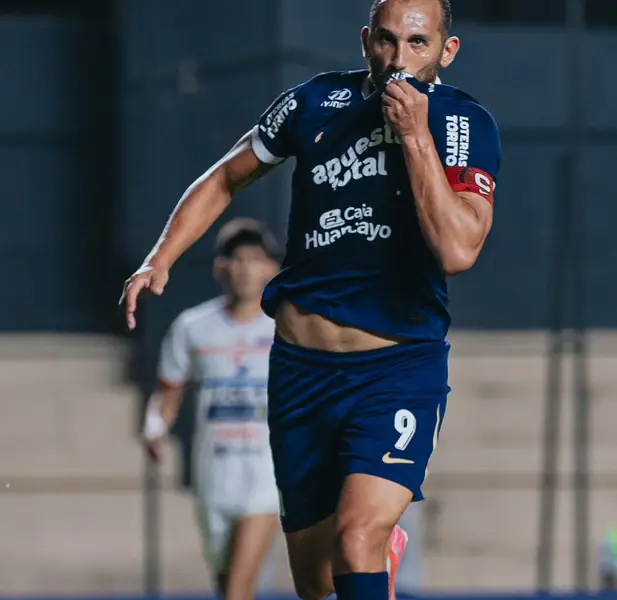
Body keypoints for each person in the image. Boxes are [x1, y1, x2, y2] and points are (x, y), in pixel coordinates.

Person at [121, 1, 500, 598]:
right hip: (301, 370)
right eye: (385, 40)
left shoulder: (462, 123)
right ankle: (378, 550)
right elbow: (225, 176)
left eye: (418, 43)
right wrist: (158, 257)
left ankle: (376, 543)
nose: (398, 58)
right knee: (315, 581)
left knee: (356, 540)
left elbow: (457, 251)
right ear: (365, 42)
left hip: (394, 370)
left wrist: (414, 136)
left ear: (445, 52)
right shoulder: (313, 102)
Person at [142, 219, 283, 600]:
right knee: (228, 589)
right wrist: (155, 429)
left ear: (271, 268)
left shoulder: (286, 327)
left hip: (266, 476)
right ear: (221, 267)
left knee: (237, 590)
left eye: (255, 259)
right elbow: (167, 395)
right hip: (213, 477)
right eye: (236, 259)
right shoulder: (193, 327)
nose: (244, 269)